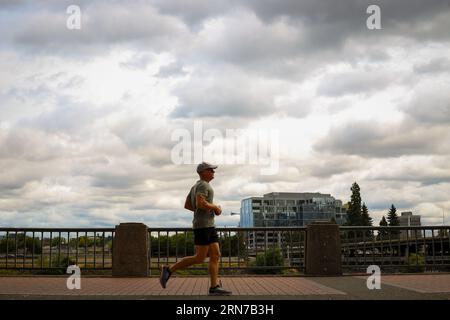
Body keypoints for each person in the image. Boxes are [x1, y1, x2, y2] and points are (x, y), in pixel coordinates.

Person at [159, 162, 232, 296]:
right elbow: (200, 203)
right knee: (199, 257)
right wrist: (215, 208)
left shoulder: (195, 186)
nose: (213, 172)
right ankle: (168, 269)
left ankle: (214, 287)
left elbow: (188, 205)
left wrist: (203, 210)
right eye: (211, 170)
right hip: (203, 226)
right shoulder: (203, 185)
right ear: (203, 172)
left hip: (208, 225)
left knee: (215, 255)